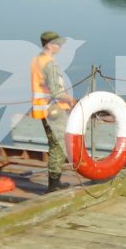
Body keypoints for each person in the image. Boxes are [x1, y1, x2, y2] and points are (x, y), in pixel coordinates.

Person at [30, 31, 76, 190]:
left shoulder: (38, 60)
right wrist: (71, 100)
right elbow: (56, 92)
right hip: (54, 110)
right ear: (49, 45)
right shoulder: (49, 63)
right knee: (58, 146)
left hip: (45, 108)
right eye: (58, 44)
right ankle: (53, 185)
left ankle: (55, 182)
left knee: (54, 144)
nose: (60, 47)